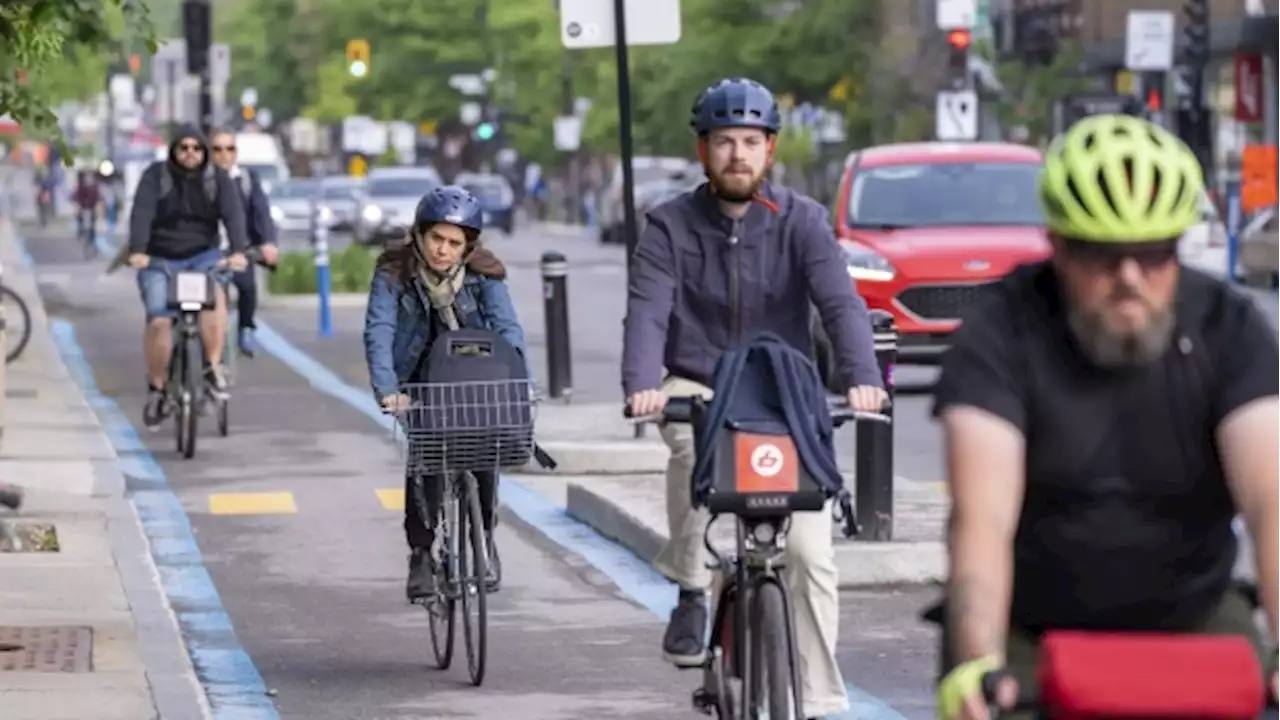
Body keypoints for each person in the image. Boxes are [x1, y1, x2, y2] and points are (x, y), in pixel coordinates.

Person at [932, 113, 1280, 720]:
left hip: (1192, 613)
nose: (1128, 279)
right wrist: (977, 662)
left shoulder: (1230, 327)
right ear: (1059, 249)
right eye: (1102, 256)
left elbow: (1272, 503)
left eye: (1153, 256)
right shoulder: (1000, 331)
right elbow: (981, 519)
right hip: (1032, 626)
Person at [621, 77, 887, 720]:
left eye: (750, 142)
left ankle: (820, 702)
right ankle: (691, 587)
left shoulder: (803, 221)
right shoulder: (669, 225)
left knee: (807, 553)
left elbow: (840, 303)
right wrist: (641, 386)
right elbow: (649, 312)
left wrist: (863, 374)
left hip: (781, 390)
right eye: (723, 142)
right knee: (691, 447)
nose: (737, 154)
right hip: (698, 382)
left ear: (769, 150)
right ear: (702, 150)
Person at [363, 186, 531, 601]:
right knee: (428, 462)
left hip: (474, 376)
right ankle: (421, 554)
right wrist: (387, 390)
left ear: (467, 247)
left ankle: (484, 538)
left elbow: (508, 330)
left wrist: (516, 384)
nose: (443, 250)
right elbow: (379, 331)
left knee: (485, 450)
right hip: (420, 380)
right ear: (419, 235)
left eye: (455, 243)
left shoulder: (485, 276)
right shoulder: (392, 273)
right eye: (436, 238)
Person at [126, 124, 249, 430]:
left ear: (204, 151)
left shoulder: (216, 180)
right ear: (174, 151)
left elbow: (234, 216)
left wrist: (237, 251)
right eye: (184, 148)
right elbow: (141, 213)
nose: (190, 153)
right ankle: (157, 389)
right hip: (160, 260)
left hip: (202, 258)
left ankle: (210, 366)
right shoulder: (156, 176)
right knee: (159, 320)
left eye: (197, 148)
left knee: (215, 300)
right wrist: (139, 250)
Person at [208, 129, 278, 357]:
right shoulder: (202, 181)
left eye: (230, 149)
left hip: (239, 248)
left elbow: (261, 211)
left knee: (248, 288)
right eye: (217, 149)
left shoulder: (247, 179)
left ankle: (246, 328)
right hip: (209, 249)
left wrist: (268, 242)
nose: (224, 155)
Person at [72, 170, 100, 246]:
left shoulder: (94, 187)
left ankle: (91, 237)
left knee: (92, 223)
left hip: (91, 208)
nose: (89, 180)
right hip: (83, 207)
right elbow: (76, 196)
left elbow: (97, 197)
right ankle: (80, 233)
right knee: (80, 220)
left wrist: (97, 205)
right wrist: (77, 205)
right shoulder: (81, 187)